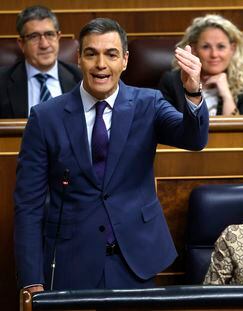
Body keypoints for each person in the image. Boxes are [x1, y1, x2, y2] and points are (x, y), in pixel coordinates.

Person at [14, 17, 208, 292]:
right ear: (79, 58)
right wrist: (32, 277)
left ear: (125, 60)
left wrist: (192, 91)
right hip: (72, 260)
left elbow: (194, 139)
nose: (101, 64)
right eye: (91, 54)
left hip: (136, 258)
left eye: (111, 54)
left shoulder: (148, 103)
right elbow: (28, 205)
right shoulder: (46, 117)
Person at [158, 14, 243, 116]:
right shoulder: (172, 81)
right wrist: (193, 90)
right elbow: (168, 127)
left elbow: (238, 131)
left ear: (232, 49)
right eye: (206, 47)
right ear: (194, 49)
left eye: (221, 46)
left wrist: (227, 95)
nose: (214, 54)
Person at [0, 5, 81, 118]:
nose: (44, 45)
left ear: (58, 37)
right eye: (34, 37)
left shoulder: (81, 79)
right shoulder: (2, 81)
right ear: (22, 44)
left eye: (49, 35)